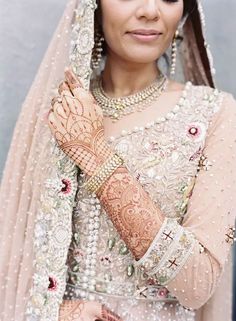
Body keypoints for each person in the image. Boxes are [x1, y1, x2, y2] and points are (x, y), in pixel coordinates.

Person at [0, 0, 235, 321]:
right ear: (92, 6)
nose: (151, 11)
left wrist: (93, 153)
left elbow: (198, 283)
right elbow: (10, 264)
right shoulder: (58, 112)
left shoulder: (214, 114)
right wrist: (55, 312)